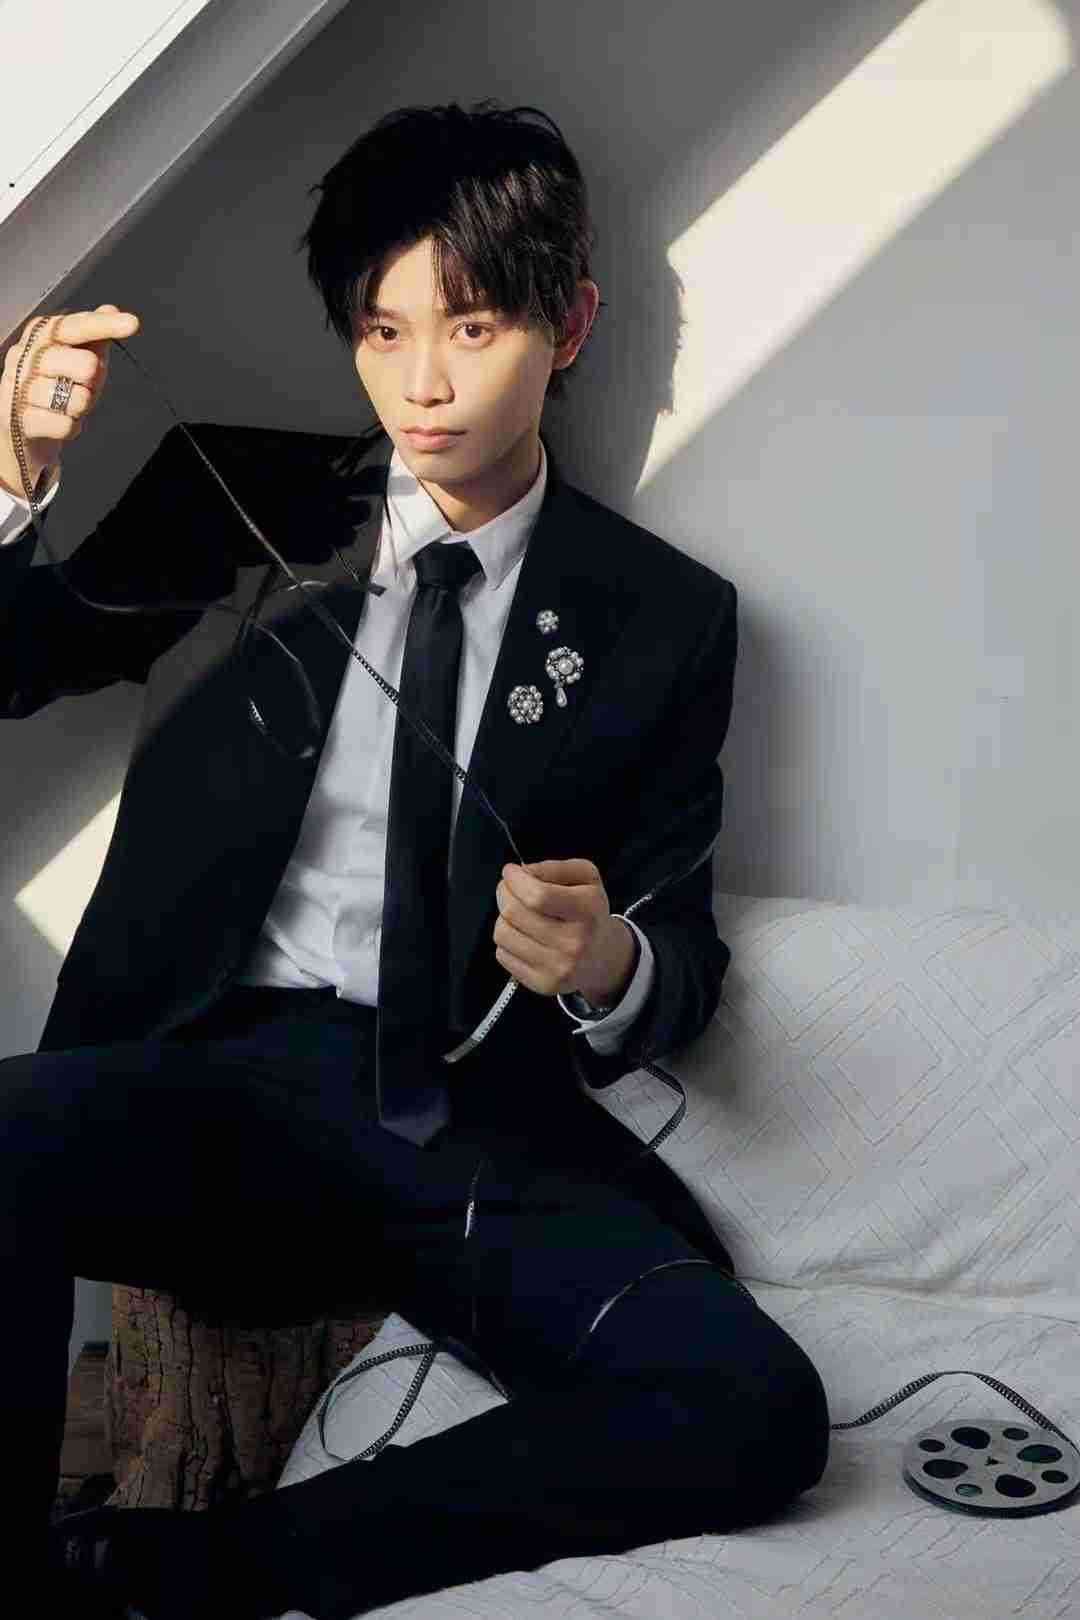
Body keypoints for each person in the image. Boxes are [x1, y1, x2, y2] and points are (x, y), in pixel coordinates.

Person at [0, 100, 830, 1620]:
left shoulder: (662, 614)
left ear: (570, 324)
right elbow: (15, 665)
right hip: (206, 1083)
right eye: (383, 335)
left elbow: (679, 947)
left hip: (464, 1123)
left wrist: (608, 964)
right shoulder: (231, 497)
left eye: (473, 328)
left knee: (754, 1406)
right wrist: (12, 488)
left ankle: (194, 1573)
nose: (424, 386)